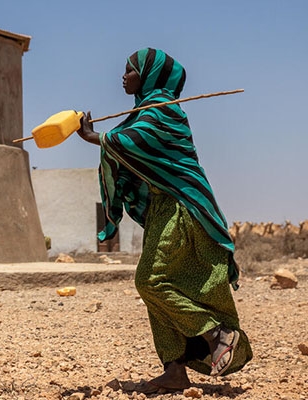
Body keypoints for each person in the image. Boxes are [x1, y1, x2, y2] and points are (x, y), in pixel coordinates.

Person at [76, 48, 252, 392]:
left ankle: (217, 333)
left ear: (150, 75)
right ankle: (174, 371)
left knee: (151, 281)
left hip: (182, 208)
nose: (123, 77)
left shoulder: (163, 112)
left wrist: (94, 137)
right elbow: (129, 147)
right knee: (159, 288)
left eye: (130, 71)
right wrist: (105, 140)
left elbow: (134, 142)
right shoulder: (145, 111)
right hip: (162, 209)